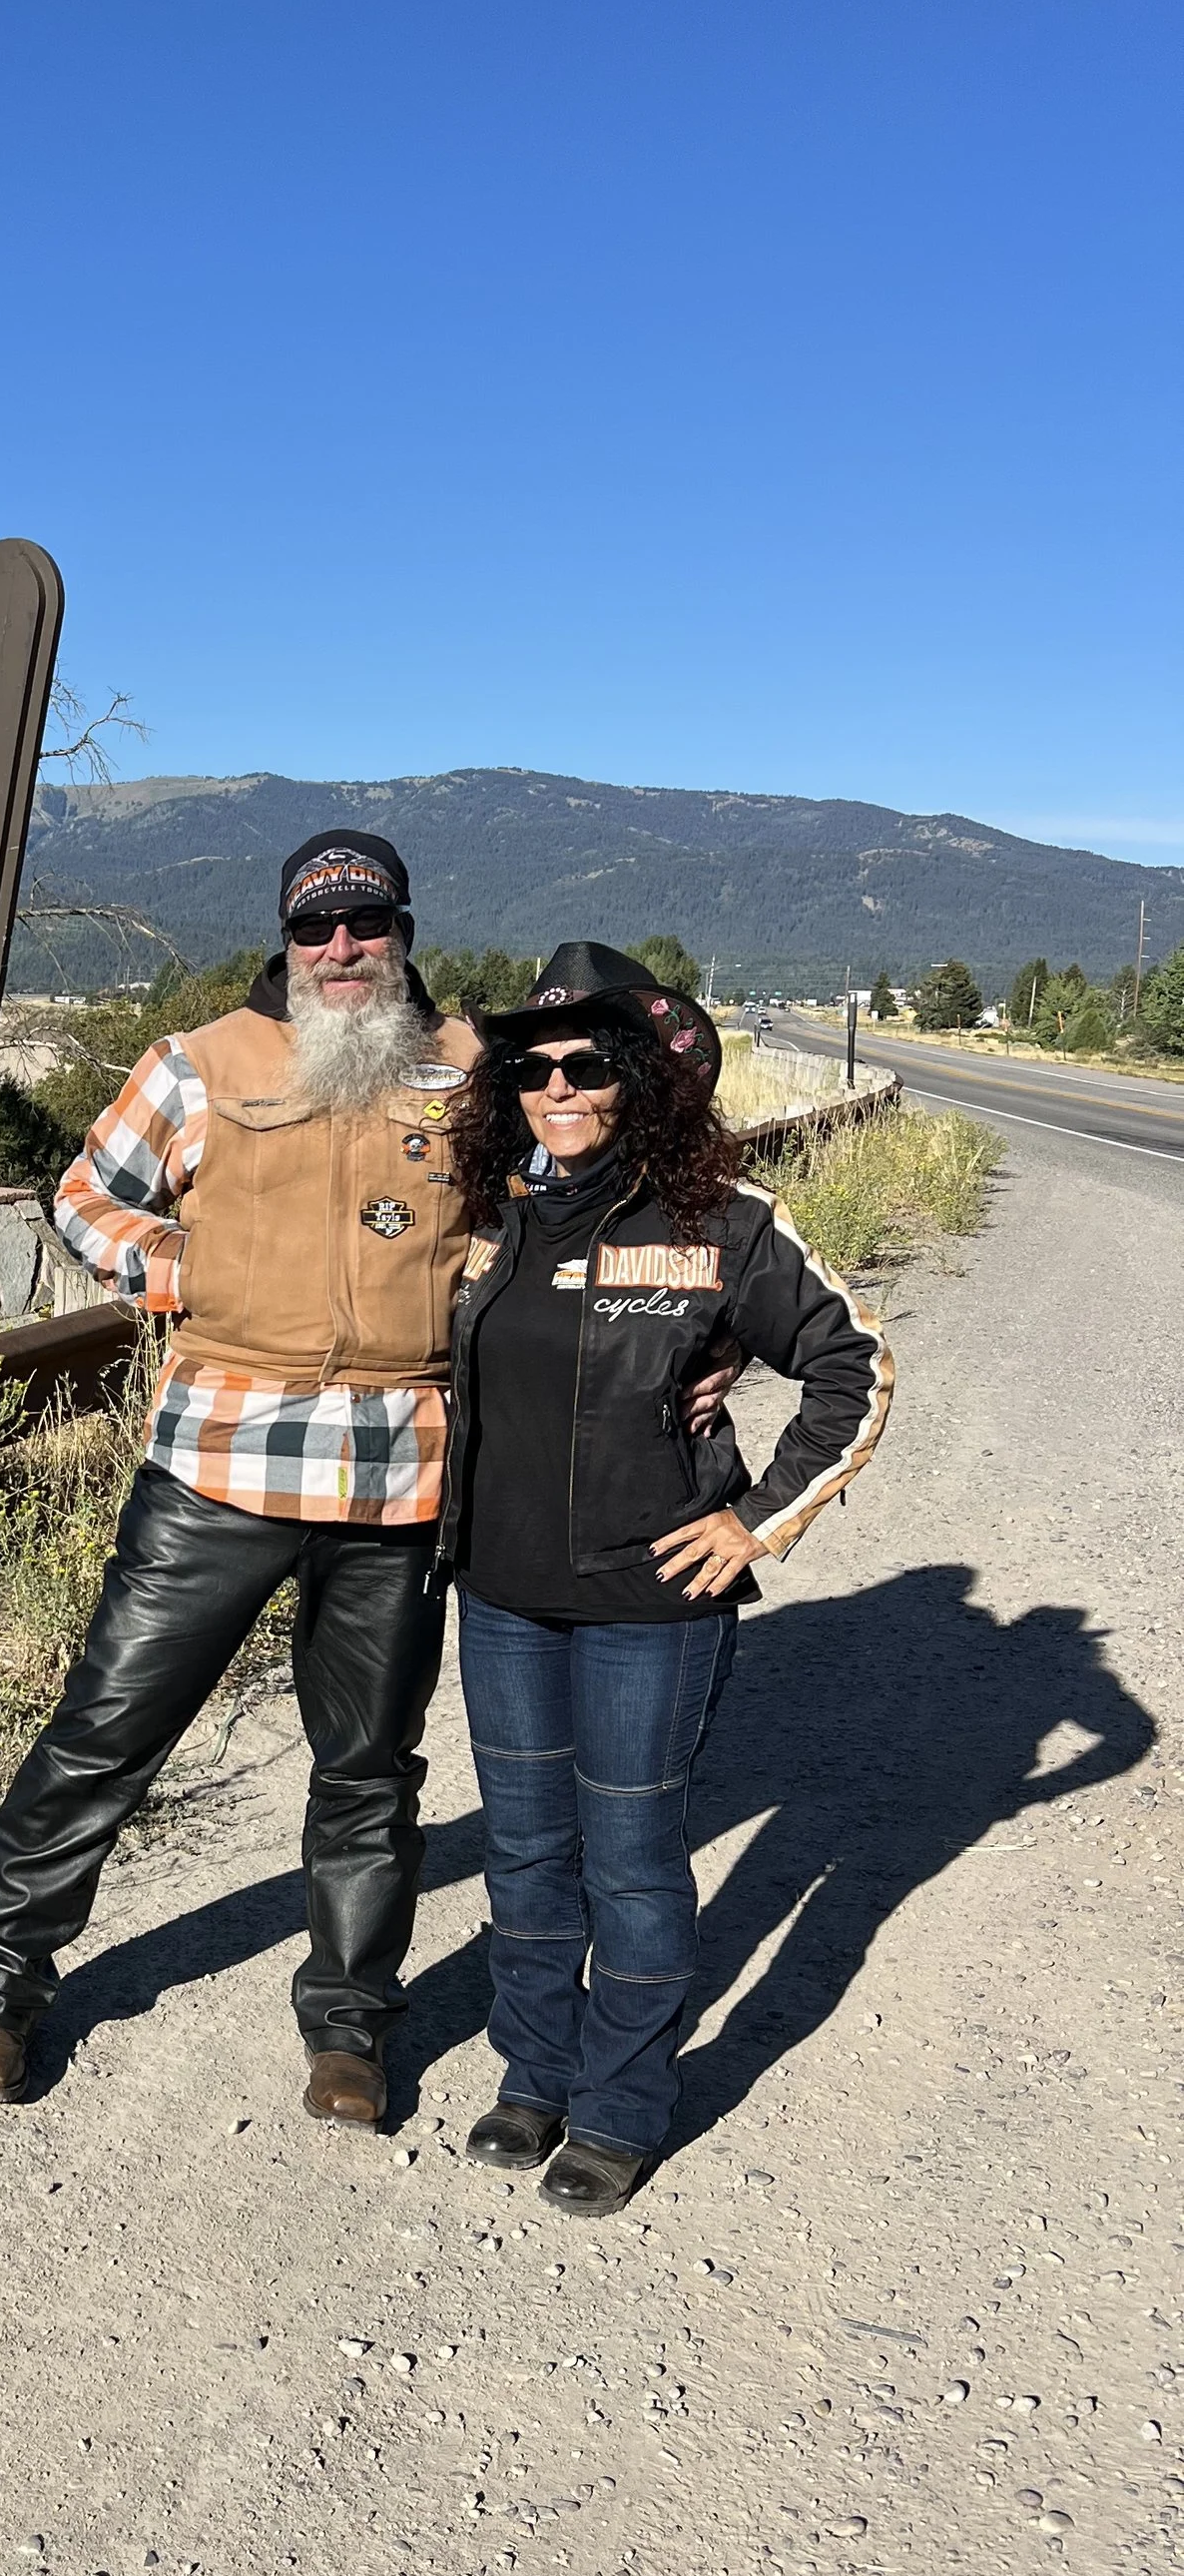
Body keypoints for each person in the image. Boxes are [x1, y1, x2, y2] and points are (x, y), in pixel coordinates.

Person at [0, 830, 476, 2117]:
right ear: (285, 945)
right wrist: (192, 1274)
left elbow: (528, 1220)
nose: (341, 950)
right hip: (216, 1465)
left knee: (369, 1768)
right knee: (105, 1733)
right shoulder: (201, 1066)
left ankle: (348, 2028)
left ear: (403, 931)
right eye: (316, 931)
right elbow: (84, 1201)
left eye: (366, 925)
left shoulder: (471, 1071)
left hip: (401, 1476)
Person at [438, 943, 894, 2214]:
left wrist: (757, 1520)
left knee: (630, 1854)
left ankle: (622, 2105)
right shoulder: (495, 1216)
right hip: (503, 1594)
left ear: (640, 1078)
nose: (557, 1088)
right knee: (526, 1856)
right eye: (531, 1067)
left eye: (589, 1065)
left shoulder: (725, 1224)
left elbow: (854, 1364)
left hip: (655, 1604)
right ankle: (534, 2074)